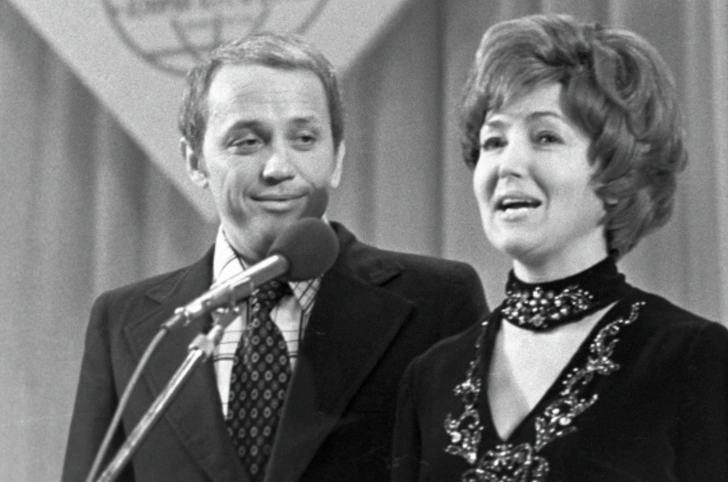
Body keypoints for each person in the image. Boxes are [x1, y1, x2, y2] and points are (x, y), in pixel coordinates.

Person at [62, 33, 488, 482]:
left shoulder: (437, 301)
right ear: (194, 161)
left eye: (304, 139)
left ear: (337, 157)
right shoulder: (126, 323)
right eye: (247, 142)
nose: (279, 167)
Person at [391, 13, 728, 482]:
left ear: (618, 169)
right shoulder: (431, 377)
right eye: (494, 141)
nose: (508, 165)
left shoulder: (691, 358)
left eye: (546, 137)